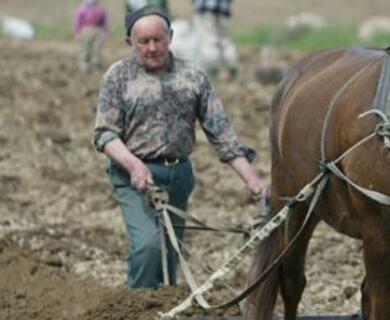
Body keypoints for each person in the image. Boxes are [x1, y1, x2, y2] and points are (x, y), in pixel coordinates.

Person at [93, 6, 266, 289]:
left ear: (170, 37)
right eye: (143, 42)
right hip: (134, 178)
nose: (152, 48)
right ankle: (135, 311)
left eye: (158, 39)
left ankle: (162, 313)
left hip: (179, 177)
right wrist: (134, 165)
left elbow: (221, 132)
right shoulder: (118, 76)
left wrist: (252, 181)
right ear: (130, 43)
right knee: (147, 246)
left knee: (168, 252)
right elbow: (105, 134)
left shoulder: (193, 76)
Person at [192, 0, 239, 80]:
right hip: (223, 9)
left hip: (204, 8)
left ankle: (213, 71)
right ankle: (232, 63)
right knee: (224, 39)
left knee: (208, 40)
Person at [72, 0, 108, 74]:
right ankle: (85, 64)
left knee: (97, 48)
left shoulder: (100, 9)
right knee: (85, 47)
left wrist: (104, 32)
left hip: (97, 30)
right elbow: (77, 21)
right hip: (86, 30)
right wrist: (77, 32)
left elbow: (104, 22)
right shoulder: (81, 9)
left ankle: (96, 64)